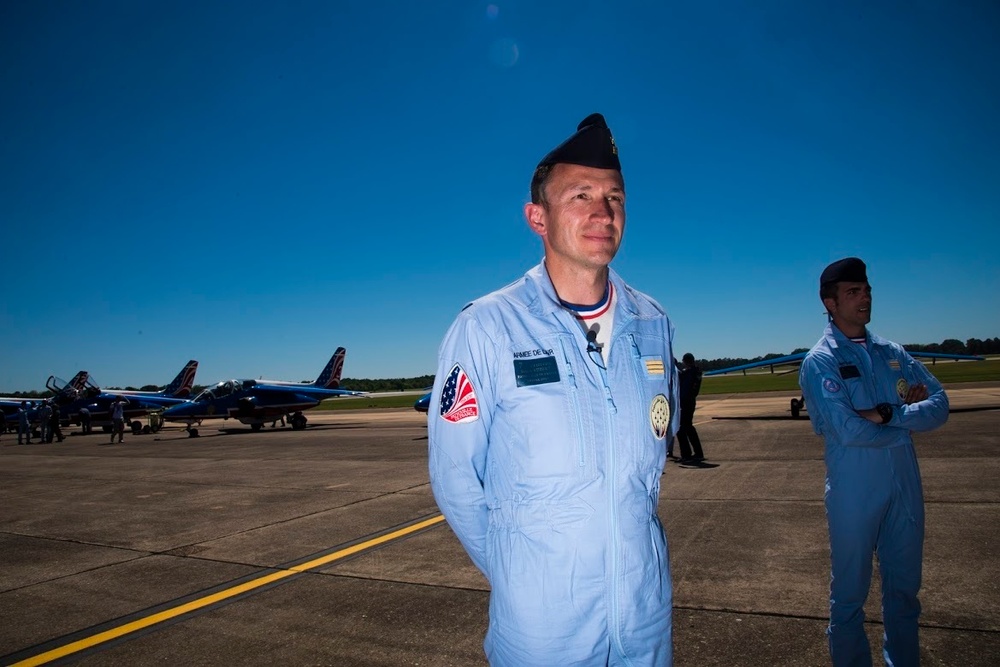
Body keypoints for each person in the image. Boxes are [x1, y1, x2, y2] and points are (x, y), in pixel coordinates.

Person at [428, 113, 679, 666]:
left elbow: (652, 459)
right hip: (544, 635)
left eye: (615, 197)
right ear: (536, 217)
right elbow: (455, 479)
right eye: (580, 196)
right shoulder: (488, 328)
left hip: (645, 624)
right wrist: (525, 577)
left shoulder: (653, 323)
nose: (602, 213)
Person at [799, 257, 949, 666]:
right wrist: (907, 421)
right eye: (852, 292)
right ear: (829, 302)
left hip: (904, 486)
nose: (864, 297)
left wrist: (889, 415)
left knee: (904, 593)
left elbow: (940, 404)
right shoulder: (821, 361)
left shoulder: (892, 353)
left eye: (866, 290)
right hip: (855, 490)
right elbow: (847, 430)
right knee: (849, 596)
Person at [675, 352, 705, 465]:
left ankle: (686, 454)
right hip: (690, 401)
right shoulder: (696, 372)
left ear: (685, 361)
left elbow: (682, 380)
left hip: (685, 402)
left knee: (681, 428)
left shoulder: (689, 373)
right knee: (689, 427)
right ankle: (698, 453)